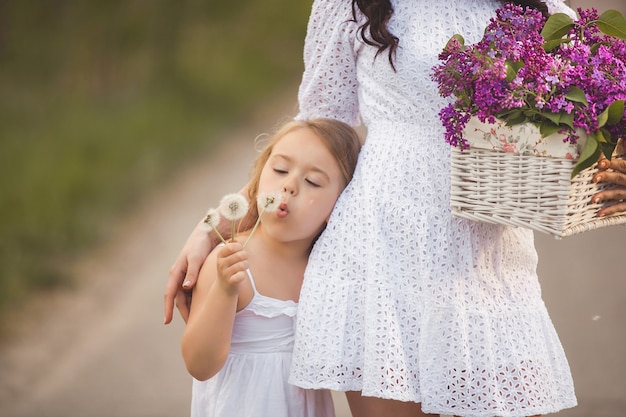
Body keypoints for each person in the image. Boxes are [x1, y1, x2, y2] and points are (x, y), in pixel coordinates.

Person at [167, 1, 609, 416]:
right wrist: (218, 222)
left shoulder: (537, 8)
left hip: (489, 261)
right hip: (378, 259)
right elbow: (318, 133)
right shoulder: (351, 3)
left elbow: (601, 96)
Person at [180, 118, 361, 417]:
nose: (289, 185)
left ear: (339, 208)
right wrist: (224, 290)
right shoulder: (230, 260)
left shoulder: (327, 273)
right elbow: (199, 364)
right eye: (280, 170)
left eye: (312, 182)